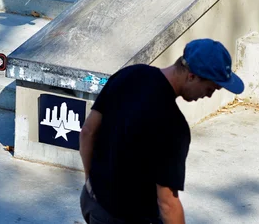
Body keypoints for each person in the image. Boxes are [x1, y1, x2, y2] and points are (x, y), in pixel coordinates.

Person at [79, 39, 245, 224]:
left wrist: (90, 183)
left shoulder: (130, 74)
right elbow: (167, 203)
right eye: (210, 88)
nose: (208, 95)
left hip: (94, 205)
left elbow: (88, 131)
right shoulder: (173, 126)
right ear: (191, 76)